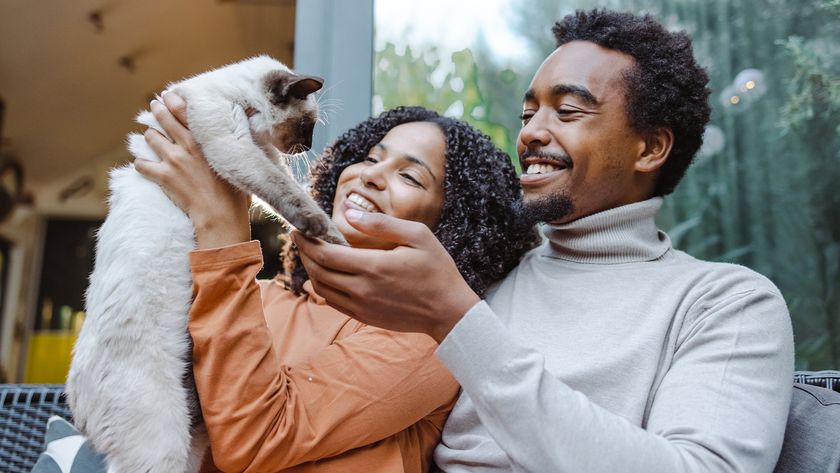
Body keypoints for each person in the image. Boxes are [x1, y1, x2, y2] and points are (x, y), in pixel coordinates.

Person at [293, 9, 795, 473]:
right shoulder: (482, 274)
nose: (532, 132)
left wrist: (457, 320)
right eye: (528, 113)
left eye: (569, 110)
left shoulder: (724, 304)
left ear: (651, 148)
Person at [134, 102, 540, 472]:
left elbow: (254, 441)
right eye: (370, 158)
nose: (371, 176)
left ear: (450, 227)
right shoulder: (261, 295)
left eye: (410, 177)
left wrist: (220, 224)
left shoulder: (427, 337)